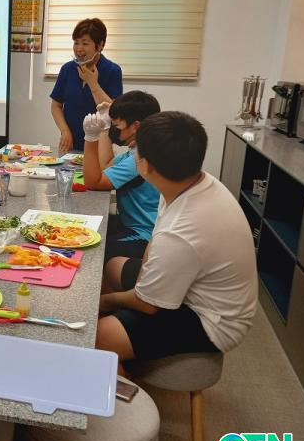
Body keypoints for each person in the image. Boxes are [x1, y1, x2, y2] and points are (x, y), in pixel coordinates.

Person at [96, 112, 258, 367]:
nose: (131, 150)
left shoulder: (180, 232)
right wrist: (140, 283)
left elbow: (147, 304)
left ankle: (120, 370)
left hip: (211, 320)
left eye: (136, 149)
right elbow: (155, 243)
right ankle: (125, 338)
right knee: (112, 266)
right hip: (193, 285)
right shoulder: (188, 182)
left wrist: (106, 301)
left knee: (94, 337)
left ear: (146, 166)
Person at [81, 91, 161, 290]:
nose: (115, 131)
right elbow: (105, 165)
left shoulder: (140, 158)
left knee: (94, 252)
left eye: (117, 126)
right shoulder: (139, 150)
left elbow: (93, 181)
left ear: (136, 126)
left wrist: (90, 139)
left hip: (144, 233)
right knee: (90, 231)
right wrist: (104, 128)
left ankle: (100, 301)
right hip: (133, 224)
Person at [50, 18, 123, 152]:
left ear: (100, 45)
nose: (79, 49)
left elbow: (114, 112)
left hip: (99, 143)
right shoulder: (68, 69)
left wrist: (93, 83)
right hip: (70, 142)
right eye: (76, 43)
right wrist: (65, 130)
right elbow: (56, 105)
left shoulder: (112, 70)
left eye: (85, 43)